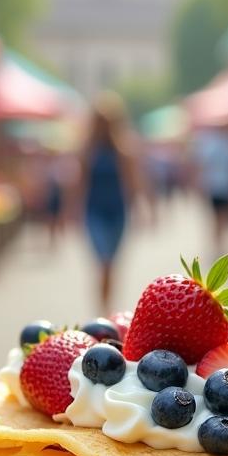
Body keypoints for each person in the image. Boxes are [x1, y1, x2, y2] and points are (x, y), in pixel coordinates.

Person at [78, 94, 138, 310]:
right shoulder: (87, 150)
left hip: (118, 212)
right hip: (94, 212)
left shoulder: (123, 149)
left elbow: (132, 182)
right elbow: (79, 183)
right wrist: (68, 212)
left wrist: (143, 210)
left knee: (112, 264)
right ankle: (103, 307)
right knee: (103, 262)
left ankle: (107, 304)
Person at [193, 125, 228, 250]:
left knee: (225, 216)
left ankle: (221, 242)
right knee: (218, 216)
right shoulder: (213, 142)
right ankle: (219, 243)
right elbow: (202, 165)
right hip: (216, 186)